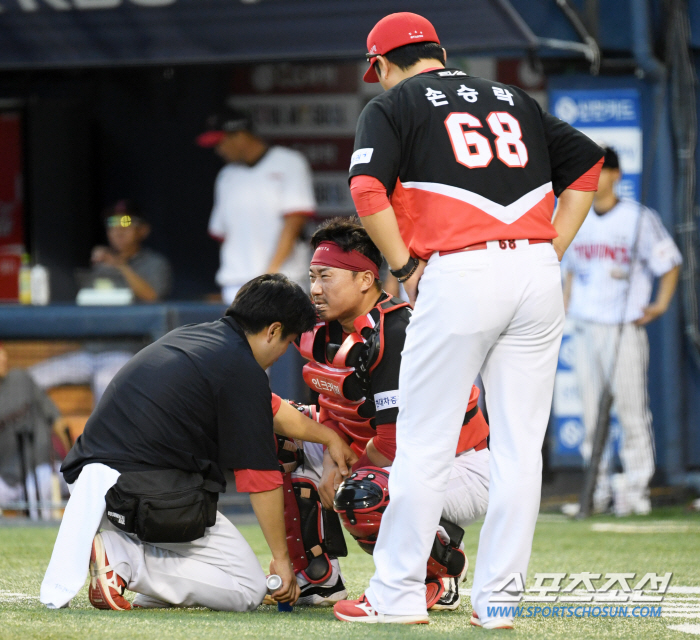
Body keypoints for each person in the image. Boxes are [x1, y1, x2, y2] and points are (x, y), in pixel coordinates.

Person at [333, 12, 604, 629]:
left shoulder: (394, 103)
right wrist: (551, 249)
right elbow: (588, 165)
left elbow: (367, 190)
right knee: (519, 450)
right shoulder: (512, 97)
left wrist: (401, 267)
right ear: (442, 51)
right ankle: (500, 602)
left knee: (424, 445)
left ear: (378, 66)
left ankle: (398, 595)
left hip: (459, 271)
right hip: (535, 271)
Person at [40, 274, 356, 612]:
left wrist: (328, 436)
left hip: (95, 487)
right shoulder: (240, 368)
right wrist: (281, 560)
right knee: (246, 587)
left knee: (213, 573)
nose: (281, 353)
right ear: (274, 330)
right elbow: (259, 478)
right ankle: (123, 560)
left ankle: (137, 572)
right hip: (137, 492)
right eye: (287, 341)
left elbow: (270, 408)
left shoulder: (202, 337)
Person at [273, 218, 490, 612]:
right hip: (370, 453)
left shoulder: (398, 331)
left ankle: (439, 572)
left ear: (365, 280)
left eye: (327, 276)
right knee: (275, 431)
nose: (316, 289)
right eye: (312, 276)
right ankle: (317, 576)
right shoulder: (319, 328)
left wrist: (339, 468)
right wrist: (329, 446)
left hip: (458, 466)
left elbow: (393, 443)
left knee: (363, 493)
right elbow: (332, 406)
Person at [562, 146, 682, 517]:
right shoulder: (574, 215)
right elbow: (567, 269)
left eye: (601, 171)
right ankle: (594, 492)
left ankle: (635, 490)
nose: (595, 179)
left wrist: (660, 304)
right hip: (585, 324)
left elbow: (669, 261)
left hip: (624, 326)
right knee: (591, 417)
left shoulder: (636, 217)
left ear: (616, 174)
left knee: (632, 412)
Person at [29, 200, 174, 404]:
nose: (118, 230)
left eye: (126, 223)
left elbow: (151, 296)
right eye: (112, 225)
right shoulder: (102, 268)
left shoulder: (155, 264)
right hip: (91, 353)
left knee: (106, 382)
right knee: (31, 378)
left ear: (143, 230)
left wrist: (120, 265)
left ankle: (103, 437)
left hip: (129, 353)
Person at [198, 108, 316, 304]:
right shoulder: (226, 175)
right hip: (237, 285)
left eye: (221, 142)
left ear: (241, 136)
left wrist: (270, 274)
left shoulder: (289, 162)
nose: (218, 150)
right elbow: (221, 234)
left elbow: (294, 222)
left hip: (282, 281)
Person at [0, 343, 64, 520]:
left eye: (3, 354)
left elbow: (57, 419)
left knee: (38, 488)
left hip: (43, 465)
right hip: (8, 475)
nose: (3, 358)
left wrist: (73, 456)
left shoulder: (20, 378)